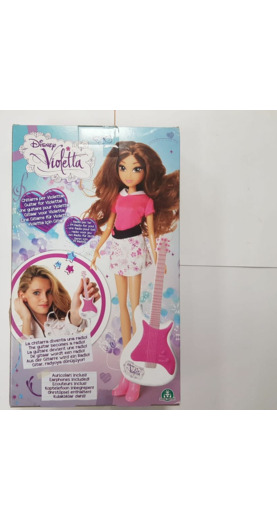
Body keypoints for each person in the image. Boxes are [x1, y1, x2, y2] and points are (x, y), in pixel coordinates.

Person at [85, 141, 179, 402]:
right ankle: (127, 370)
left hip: (135, 247)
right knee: (122, 307)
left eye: (136, 168)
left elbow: (151, 234)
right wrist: (97, 249)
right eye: (123, 168)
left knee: (135, 307)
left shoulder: (146, 200)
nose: (128, 174)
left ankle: (137, 372)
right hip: (117, 248)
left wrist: (159, 257)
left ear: (145, 171)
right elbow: (109, 226)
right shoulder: (117, 198)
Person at [14, 265, 100, 338]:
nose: (45, 299)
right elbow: (24, 351)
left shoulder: (62, 325)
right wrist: (26, 318)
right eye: (36, 293)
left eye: (49, 292)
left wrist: (75, 312)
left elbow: (73, 324)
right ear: (22, 296)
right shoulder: (16, 331)